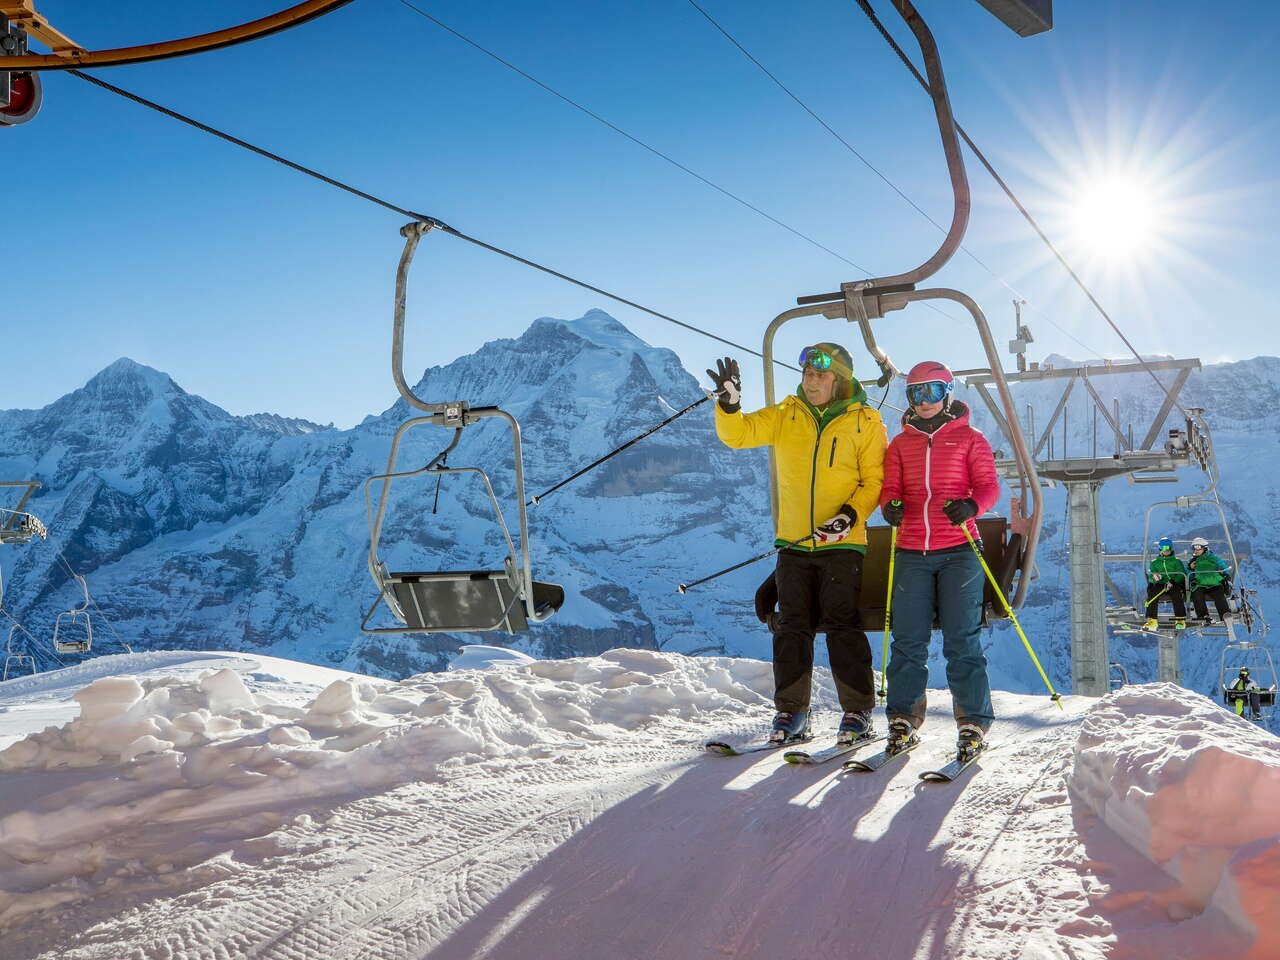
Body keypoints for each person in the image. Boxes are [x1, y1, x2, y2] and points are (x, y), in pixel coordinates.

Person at [708, 343, 887, 744]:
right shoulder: (787, 415)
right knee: (792, 628)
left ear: (840, 379)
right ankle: (791, 713)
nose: (812, 381)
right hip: (793, 543)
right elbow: (739, 436)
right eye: (807, 374)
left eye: (821, 375)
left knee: (842, 624)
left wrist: (851, 514)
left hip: (843, 543)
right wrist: (731, 406)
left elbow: (874, 480)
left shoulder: (866, 421)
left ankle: (857, 713)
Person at [878, 360, 1001, 760]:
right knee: (908, 639)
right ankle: (903, 719)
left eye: (932, 391)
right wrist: (890, 506)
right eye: (915, 393)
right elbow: (890, 488)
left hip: (959, 549)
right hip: (912, 549)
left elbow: (988, 487)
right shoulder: (900, 444)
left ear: (948, 392)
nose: (924, 400)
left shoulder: (970, 438)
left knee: (961, 639)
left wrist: (971, 505)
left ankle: (973, 723)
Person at [1144, 537, 1187, 630]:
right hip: (1160, 584)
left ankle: (1180, 619)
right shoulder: (1155, 563)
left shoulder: (1176, 561)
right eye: (1163, 549)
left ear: (1171, 549)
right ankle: (1152, 620)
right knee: (1152, 594)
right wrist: (1154, 578)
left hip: (1173, 583)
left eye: (1168, 548)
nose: (1166, 551)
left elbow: (1182, 574)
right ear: (1160, 550)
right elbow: (1151, 575)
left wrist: (1173, 581)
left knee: (1177, 594)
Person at [1188, 536, 1232, 624]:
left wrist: (1226, 575)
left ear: (1205, 548)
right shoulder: (1193, 561)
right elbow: (1188, 574)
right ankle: (1203, 616)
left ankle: (1225, 615)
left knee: (1219, 596)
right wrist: (1190, 568)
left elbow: (1223, 567)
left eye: (1198, 548)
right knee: (1197, 595)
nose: (1195, 551)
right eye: (1194, 548)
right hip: (1200, 584)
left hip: (1214, 584)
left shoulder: (1213, 558)